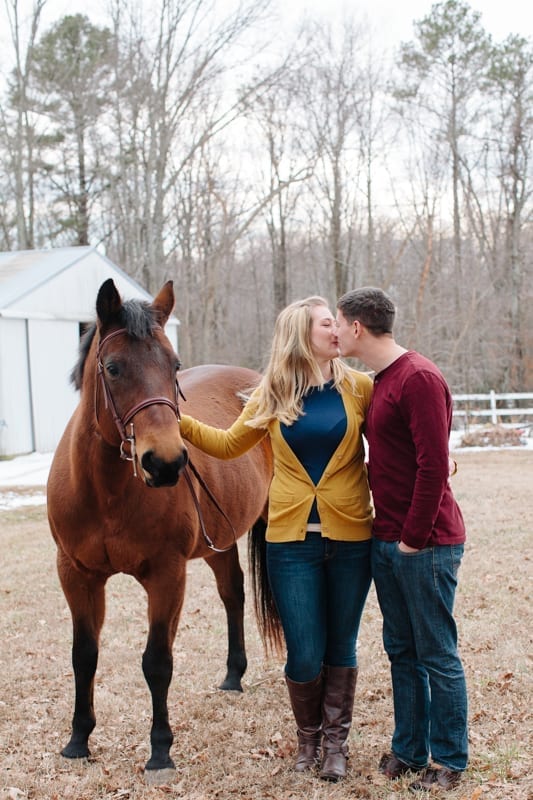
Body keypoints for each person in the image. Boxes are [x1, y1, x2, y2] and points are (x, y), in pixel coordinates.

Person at [178, 296, 373, 781]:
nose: (338, 330)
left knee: (341, 646)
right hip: (290, 542)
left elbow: (395, 436)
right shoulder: (272, 394)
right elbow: (227, 444)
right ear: (301, 335)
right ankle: (307, 741)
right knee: (304, 650)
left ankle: (335, 746)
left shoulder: (361, 388)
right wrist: (167, 419)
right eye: (327, 323)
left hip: (351, 534)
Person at [335, 287, 468, 793]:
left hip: (427, 543)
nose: (337, 331)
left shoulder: (419, 378)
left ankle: (450, 759)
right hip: (386, 539)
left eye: (340, 323)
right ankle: (410, 750)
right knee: (401, 650)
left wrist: (412, 539)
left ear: (357, 328)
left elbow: (435, 465)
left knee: (436, 652)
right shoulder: (381, 380)